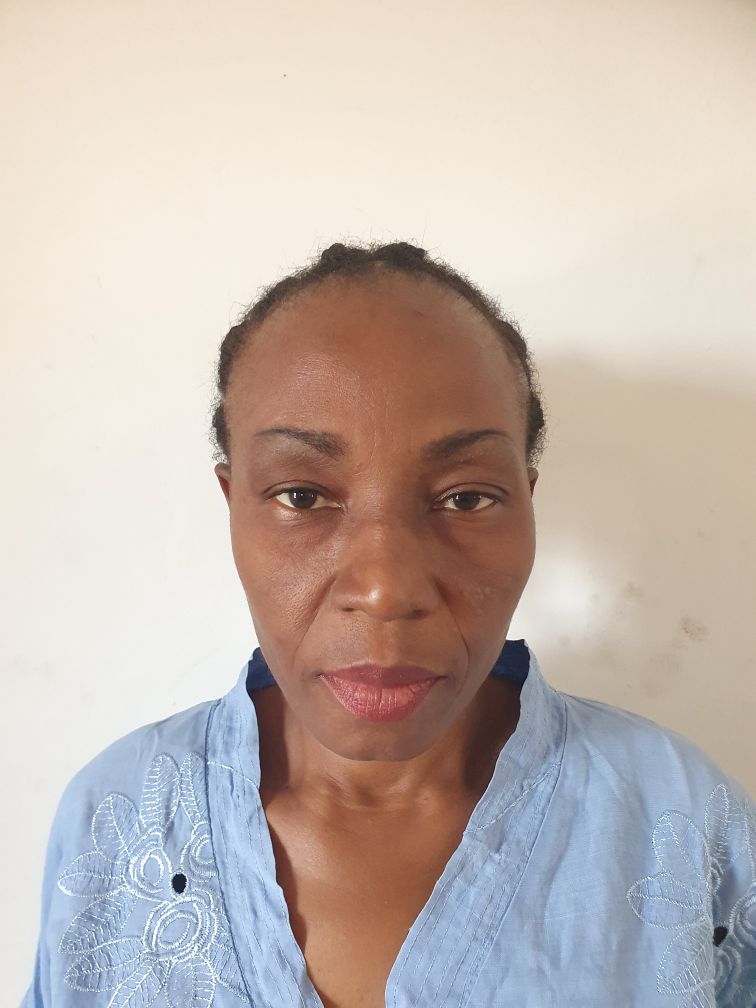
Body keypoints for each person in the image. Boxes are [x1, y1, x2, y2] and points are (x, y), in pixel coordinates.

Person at [23, 241, 755, 1008]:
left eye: (466, 498)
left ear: (527, 501)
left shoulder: (684, 822)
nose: (384, 589)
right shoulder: (118, 819)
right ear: (232, 503)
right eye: (302, 496)